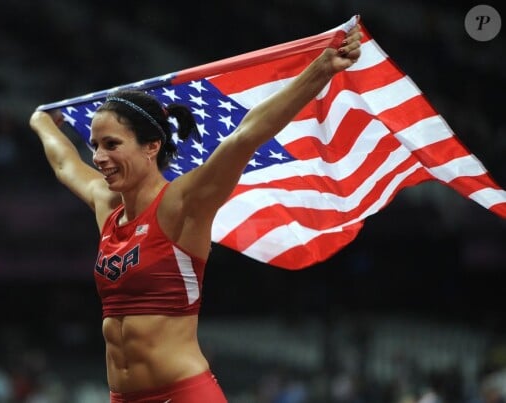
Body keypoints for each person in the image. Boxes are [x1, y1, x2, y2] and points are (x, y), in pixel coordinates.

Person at [29, 23, 362, 403]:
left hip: (183, 394)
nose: (99, 157)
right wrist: (40, 122)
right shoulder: (107, 208)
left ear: (151, 146)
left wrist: (321, 69)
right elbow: (63, 164)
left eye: (111, 144)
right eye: (94, 146)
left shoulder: (182, 203)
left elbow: (246, 135)